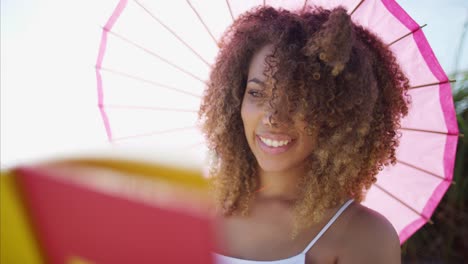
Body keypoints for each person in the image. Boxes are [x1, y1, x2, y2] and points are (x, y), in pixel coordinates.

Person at [198, 5, 409, 264]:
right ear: (235, 99)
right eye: (256, 93)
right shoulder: (193, 206)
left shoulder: (364, 234)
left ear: (338, 113)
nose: (273, 117)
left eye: (297, 98)